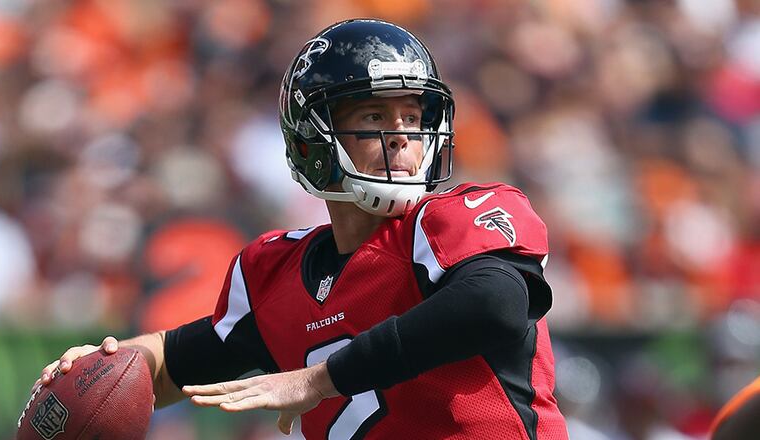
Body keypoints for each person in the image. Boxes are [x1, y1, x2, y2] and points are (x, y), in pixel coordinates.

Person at [33, 19, 568, 439]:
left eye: (411, 116)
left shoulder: (461, 216)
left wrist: (317, 379)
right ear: (311, 141)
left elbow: (494, 305)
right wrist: (110, 360)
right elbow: (176, 360)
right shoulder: (276, 273)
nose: (404, 136)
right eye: (375, 118)